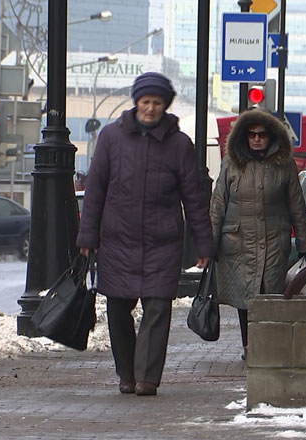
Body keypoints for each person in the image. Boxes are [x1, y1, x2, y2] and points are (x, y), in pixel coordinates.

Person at [77, 72, 213, 397]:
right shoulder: (111, 137)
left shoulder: (180, 144)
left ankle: (147, 378)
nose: (150, 108)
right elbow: (95, 190)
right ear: (136, 102)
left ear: (165, 105)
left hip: (162, 243)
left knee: (158, 308)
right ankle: (126, 373)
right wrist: (87, 237)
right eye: (145, 101)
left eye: (157, 103)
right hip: (117, 241)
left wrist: (203, 243)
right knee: (118, 309)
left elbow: (193, 198)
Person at [210, 109, 306, 360]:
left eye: (262, 134)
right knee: (246, 297)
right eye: (251, 134)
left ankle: (267, 343)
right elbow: (218, 203)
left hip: (273, 241)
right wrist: (209, 242)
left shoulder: (284, 164)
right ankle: (250, 346)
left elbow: (296, 205)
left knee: (271, 295)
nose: (256, 139)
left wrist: (304, 242)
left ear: (272, 136)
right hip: (238, 243)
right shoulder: (231, 163)